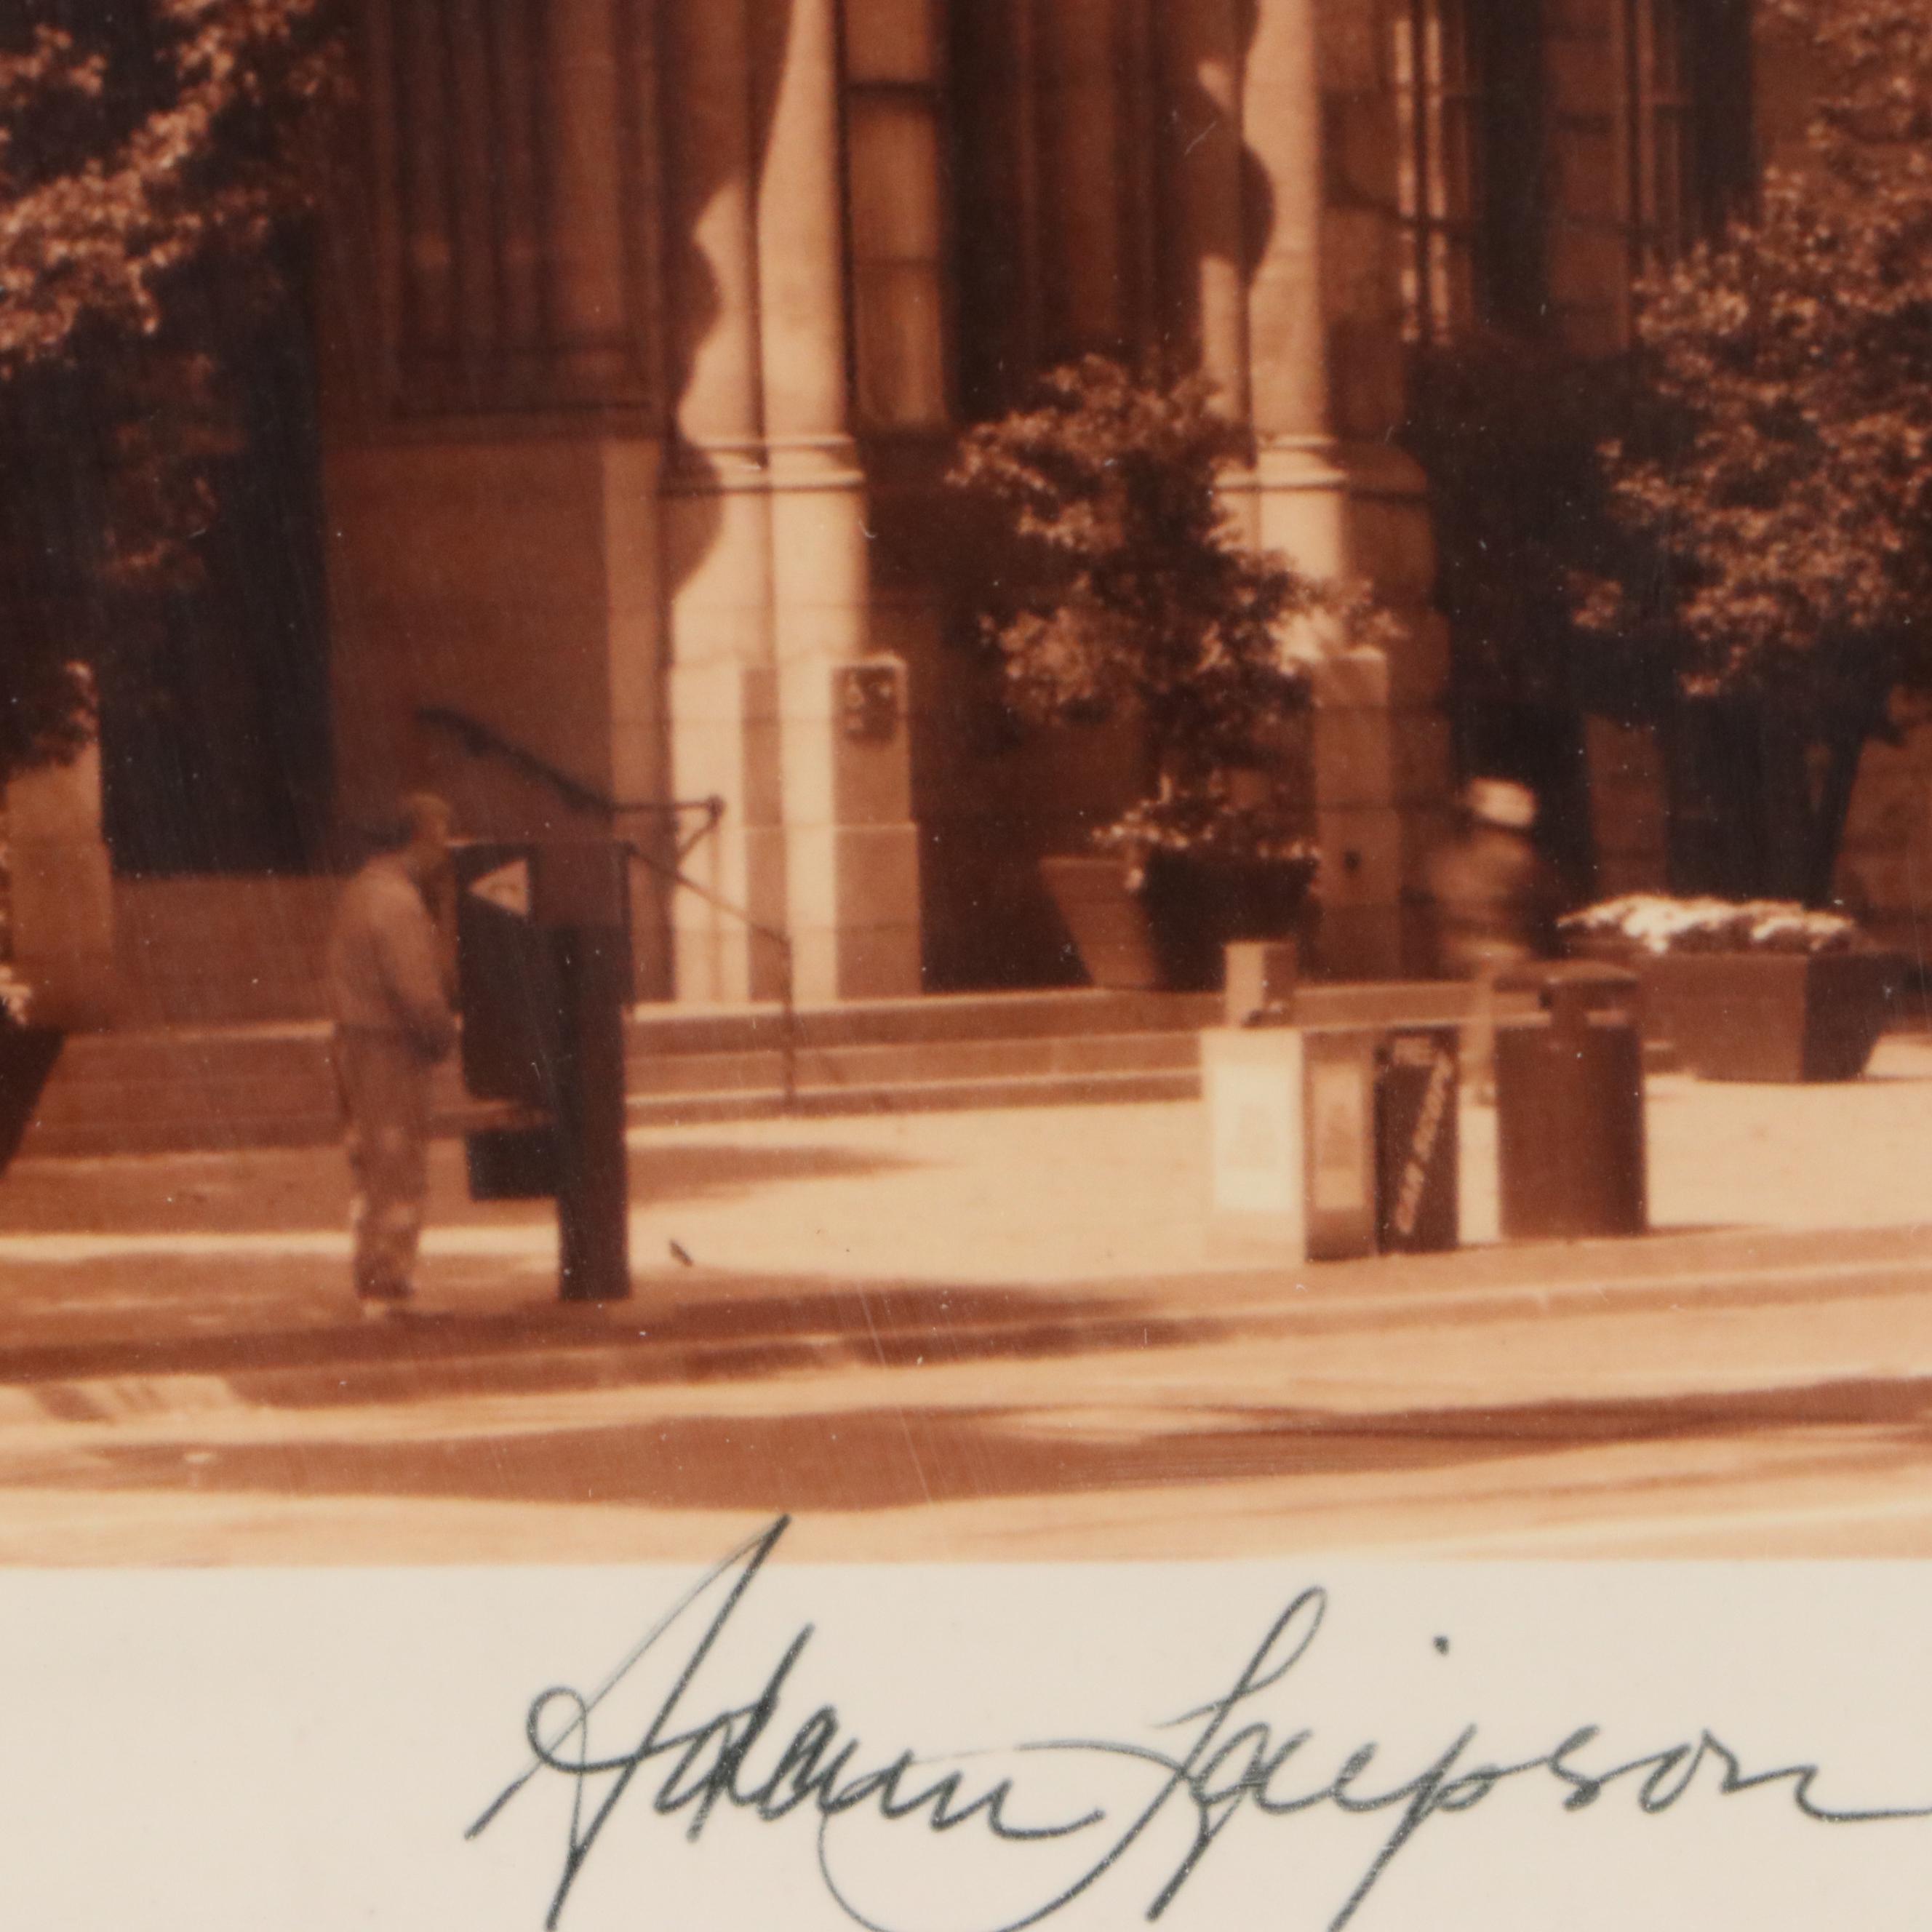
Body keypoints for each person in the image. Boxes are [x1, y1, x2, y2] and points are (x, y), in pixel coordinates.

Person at [325, 794, 460, 1318]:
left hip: (353, 1038)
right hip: (388, 1045)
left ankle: (372, 1269)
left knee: (371, 1164)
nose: (444, 852)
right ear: (420, 838)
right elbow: (417, 989)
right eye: (440, 838)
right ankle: (389, 1277)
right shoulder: (398, 903)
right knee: (399, 1166)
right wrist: (441, 1034)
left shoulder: (362, 891)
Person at [1426, 778, 1561, 1101]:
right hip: (1501, 947)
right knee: (1501, 1008)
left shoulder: (1464, 858)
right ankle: (1487, 1075)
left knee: (1488, 1009)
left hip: (1478, 945)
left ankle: (1483, 1075)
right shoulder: (1513, 857)